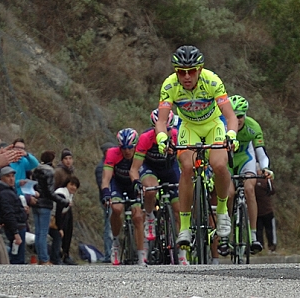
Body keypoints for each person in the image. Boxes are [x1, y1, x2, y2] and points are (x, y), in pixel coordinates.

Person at [153, 45, 238, 253]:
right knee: (187, 167)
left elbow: (230, 116)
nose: (186, 76)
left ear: (200, 70)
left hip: (213, 125)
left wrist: (231, 134)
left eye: (191, 71)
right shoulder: (170, 85)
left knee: (219, 165)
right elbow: (161, 120)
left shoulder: (212, 81)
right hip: (188, 126)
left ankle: (222, 211)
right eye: (181, 72)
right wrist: (162, 137)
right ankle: (184, 227)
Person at [226, 95, 273, 254]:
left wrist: (265, 168)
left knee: (249, 189)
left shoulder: (253, 127)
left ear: (245, 115)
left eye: (240, 116)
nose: (237, 120)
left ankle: (253, 236)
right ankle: (226, 233)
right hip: (228, 162)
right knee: (230, 194)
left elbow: (261, 153)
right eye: (234, 116)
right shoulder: (222, 126)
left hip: (246, 159)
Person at [129, 109, 180, 245]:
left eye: (169, 129)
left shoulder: (177, 136)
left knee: (179, 211)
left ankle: (181, 251)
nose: (165, 133)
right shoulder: (146, 138)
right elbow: (134, 169)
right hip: (151, 168)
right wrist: (136, 182)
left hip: (170, 169)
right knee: (150, 190)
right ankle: (150, 216)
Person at [101, 128, 145, 265]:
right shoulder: (112, 153)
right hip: (118, 184)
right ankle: (115, 242)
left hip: (134, 184)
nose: (126, 151)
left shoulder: (140, 152)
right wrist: (105, 191)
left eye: (130, 147)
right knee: (116, 209)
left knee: (138, 217)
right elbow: (106, 177)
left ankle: (141, 254)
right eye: (123, 148)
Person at [32, 150, 70, 265]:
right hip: (46, 204)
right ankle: (44, 258)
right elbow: (50, 192)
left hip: (36, 202)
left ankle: (40, 257)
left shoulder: (36, 171)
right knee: (43, 233)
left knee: (38, 232)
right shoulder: (50, 172)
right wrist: (63, 201)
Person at [0, 167, 28, 264]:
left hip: (18, 226)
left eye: (13, 176)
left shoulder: (9, 191)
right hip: (16, 227)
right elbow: (8, 214)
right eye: (8, 176)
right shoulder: (5, 193)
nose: (11, 179)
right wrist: (15, 233)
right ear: (1, 178)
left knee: (17, 257)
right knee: (17, 259)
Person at [54, 147, 77, 264]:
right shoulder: (58, 172)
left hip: (68, 202)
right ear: (62, 160)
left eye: (70, 158)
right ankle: (58, 253)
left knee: (69, 229)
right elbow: (55, 188)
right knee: (60, 228)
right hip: (60, 202)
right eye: (66, 158)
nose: (68, 161)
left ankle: (66, 253)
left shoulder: (71, 171)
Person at [95, 142, 115, 263]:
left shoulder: (112, 164)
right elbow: (101, 184)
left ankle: (112, 253)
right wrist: (105, 198)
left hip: (115, 197)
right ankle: (109, 254)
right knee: (109, 227)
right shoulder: (101, 167)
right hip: (108, 199)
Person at [254, 173, 277, 253]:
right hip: (263, 210)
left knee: (262, 230)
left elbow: (272, 191)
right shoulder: (265, 180)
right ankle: (270, 247)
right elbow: (272, 191)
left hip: (262, 210)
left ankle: (264, 247)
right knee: (266, 230)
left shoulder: (252, 181)